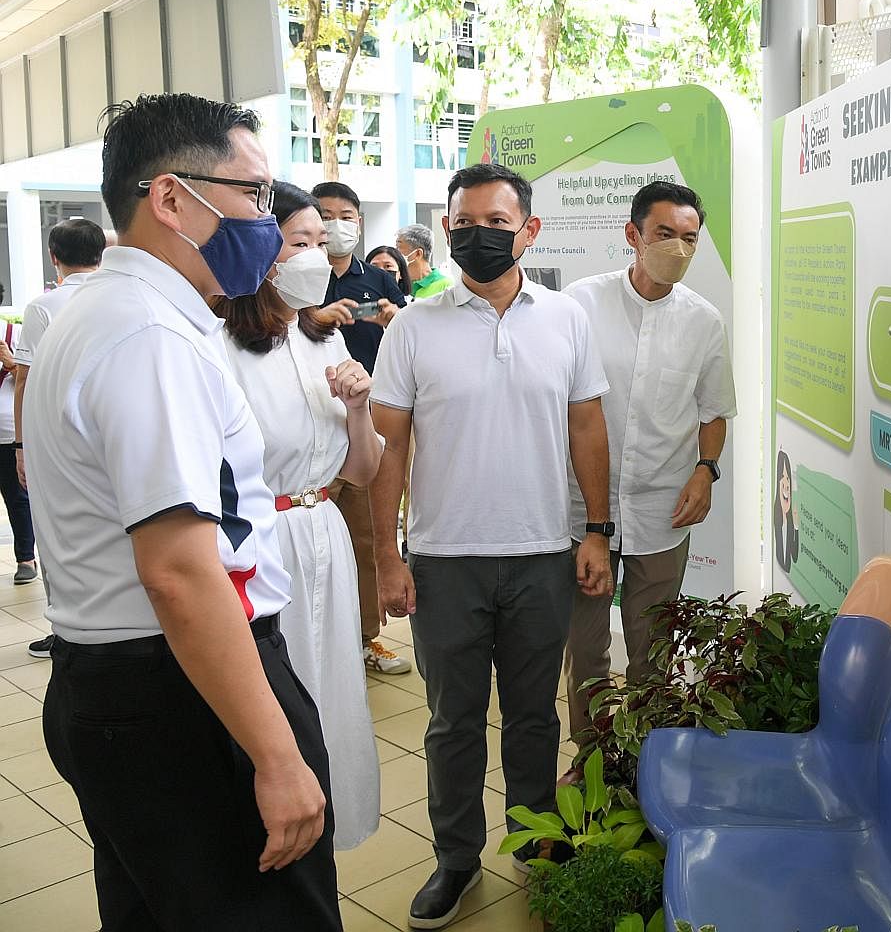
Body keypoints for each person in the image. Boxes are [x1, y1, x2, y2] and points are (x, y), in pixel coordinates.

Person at [25, 92, 339, 929]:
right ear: (170, 198)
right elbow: (176, 571)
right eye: (254, 194)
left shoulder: (108, 314)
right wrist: (274, 755)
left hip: (124, 688)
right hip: (183, 698)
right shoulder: (147, 339)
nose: (267, 221)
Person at [369, 163, 614, 929]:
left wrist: (597, 532)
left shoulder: (567, 320)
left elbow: (586, 430)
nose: (477, 236)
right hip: (445, 561)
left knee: (535, 715)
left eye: (496, 224)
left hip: (542, 553)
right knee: (452, 721)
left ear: (528, 231)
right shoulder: (413, 327)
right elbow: (389, 453)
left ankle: (536, 840)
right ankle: (454, 859)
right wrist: (387, 555)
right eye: (462, 224)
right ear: (446, 230)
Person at [213, 181, 383, 851]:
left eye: (322, 241)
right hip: (263, 543)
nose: (315, 255)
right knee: (282, 690)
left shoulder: (324, 338)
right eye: (298, 242)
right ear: (260, 251)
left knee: (334, 687)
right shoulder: (220, 345)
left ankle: (332, 824)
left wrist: (361, 407)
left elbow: (364, 472)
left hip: (324, 534)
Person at [562, 182, 735, 738]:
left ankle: (643, 759)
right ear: (633, 235)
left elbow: (714, 411)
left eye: (690, 238)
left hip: (663, 510)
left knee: (653, 650)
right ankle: (590, 756)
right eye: (665, 234)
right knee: (585, 650)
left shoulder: (704, 321)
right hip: (582, 509)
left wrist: (706, 471)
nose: (678, 249)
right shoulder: (581, 304)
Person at [313, 181, 412, 677]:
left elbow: (411, 332)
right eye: (324, 214)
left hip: (366, 422)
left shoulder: (376, 277)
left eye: (346, 215)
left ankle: (367, 636)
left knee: (368, 535)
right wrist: (315, 317)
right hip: (308, 424)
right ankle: (311, 639)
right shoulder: (295, 278)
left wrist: (395, 318)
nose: (336, 224)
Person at [15, 217, 106, 657]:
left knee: (57, 531)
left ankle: (64, 628)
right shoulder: (116, 297)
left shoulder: (43, 307)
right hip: (103, 433)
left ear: (55, 257)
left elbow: (26, 379)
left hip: (56, 439)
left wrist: (20, 445)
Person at [0, 322, 36, 589]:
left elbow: (33, 379)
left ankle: (25, 559)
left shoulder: (16, 334)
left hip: (7, 431)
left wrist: (11, 363)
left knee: (17, 499)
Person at [396, 223, 451, 300]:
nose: (395, 255)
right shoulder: (397, 286)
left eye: (399, 249)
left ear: (418, 253)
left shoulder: (446, 286)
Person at [774, 449, 799, 573]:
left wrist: (796, 527)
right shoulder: (776, 523)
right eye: (782, 477)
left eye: (788, 478)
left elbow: (794, 556)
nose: (786, 484)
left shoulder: (790, 525)